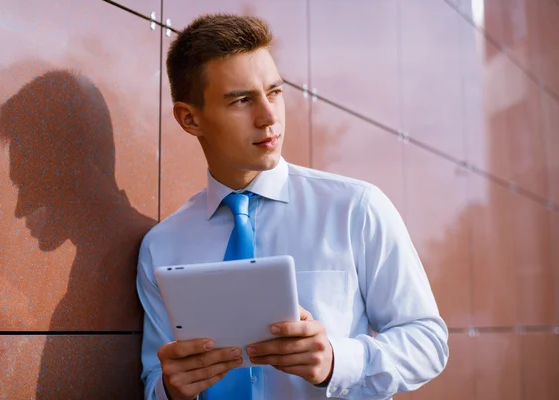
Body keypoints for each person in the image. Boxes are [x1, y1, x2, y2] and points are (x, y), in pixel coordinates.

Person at [136, 14, 449, 400]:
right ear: (189, 118)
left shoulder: (355, 209)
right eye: (242, 100)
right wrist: (170, 389)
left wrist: (338, 359)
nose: (269, 117)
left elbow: (428, 341)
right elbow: (154, 378)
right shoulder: (160, 247)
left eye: (274, 92)